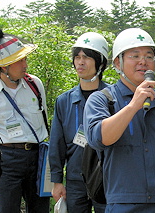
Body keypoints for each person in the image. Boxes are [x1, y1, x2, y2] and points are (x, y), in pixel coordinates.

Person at [83, 28, 155, 213]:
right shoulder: (102, 99)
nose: (143, 62)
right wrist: (133, 105)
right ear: (118, 63)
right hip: (125, 203)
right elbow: (99, 138)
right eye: (134, 56)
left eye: (149, 56)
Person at [0, 23, 50, 212]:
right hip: (7, 160)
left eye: (25, 59)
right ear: (4, 66)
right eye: (19, 60)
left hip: (38, 157)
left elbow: (43, 117)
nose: (25, 65)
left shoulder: (35, 84)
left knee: (40, 209)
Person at [49, 32, 109, 213]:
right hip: (76, 179)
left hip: (106, 177)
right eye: (77, 57)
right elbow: (56, 143)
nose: (80, 62)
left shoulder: (112, 97)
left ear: (100, 63)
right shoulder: (64, 101)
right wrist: (57, 180)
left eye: (87, 57)